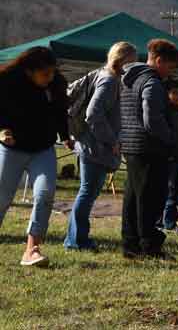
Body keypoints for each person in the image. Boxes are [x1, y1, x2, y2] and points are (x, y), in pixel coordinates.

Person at [0, 47, 72, 266]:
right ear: (29, 71)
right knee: (2, 198)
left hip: (43, 149)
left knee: (45, 193)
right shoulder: (6, 81)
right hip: (12, 148)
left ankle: (32, 250)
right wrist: (2, 130)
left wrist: (65, 136)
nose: (50, 78)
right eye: (45, 74)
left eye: (52, 73)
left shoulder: (56, 83)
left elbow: (60, 111)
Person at [64, 42, 137, 251]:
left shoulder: (101, 74)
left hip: (89, 144)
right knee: (87, 192)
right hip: (94, 147)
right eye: (132, 61)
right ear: (122, 61)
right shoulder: (109, 81)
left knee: (87, 192)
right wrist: (111, 140)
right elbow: (93, 114)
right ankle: (76, 240)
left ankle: (75, 237)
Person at [120, 39, 178, 259]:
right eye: (170, 67)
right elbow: (152, 119)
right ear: (158, 60)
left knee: (133, 196)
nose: (169, 73)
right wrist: (170, 139)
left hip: (131, 144)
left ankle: (130, 243)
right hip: (149, 147)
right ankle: (149, 246)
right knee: (150, 198)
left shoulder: (129, 79)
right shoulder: (152, 83)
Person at [157, 78, 178, 233]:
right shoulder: (165, 113)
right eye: (175, 93)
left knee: (175, 192)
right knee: (167, 191)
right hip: (168, 158)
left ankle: (170, 222)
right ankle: (163, 222)